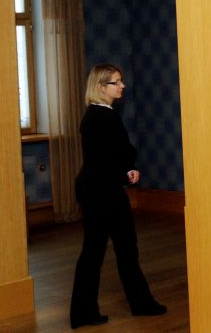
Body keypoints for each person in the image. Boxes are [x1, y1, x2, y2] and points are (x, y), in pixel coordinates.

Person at [70, 63, 166, 329]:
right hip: (104, 191)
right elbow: (115, 155)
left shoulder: (93, 115)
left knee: (94, 250)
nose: (122, 85)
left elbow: (108, 155)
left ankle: (83, 312)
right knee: (125, 249)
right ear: (101, 87)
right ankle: (141, 304)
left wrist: (127, 169)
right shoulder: (106, 117)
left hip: (93, 188)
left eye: (121, 80)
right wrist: (126, 171)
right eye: (116, 82)